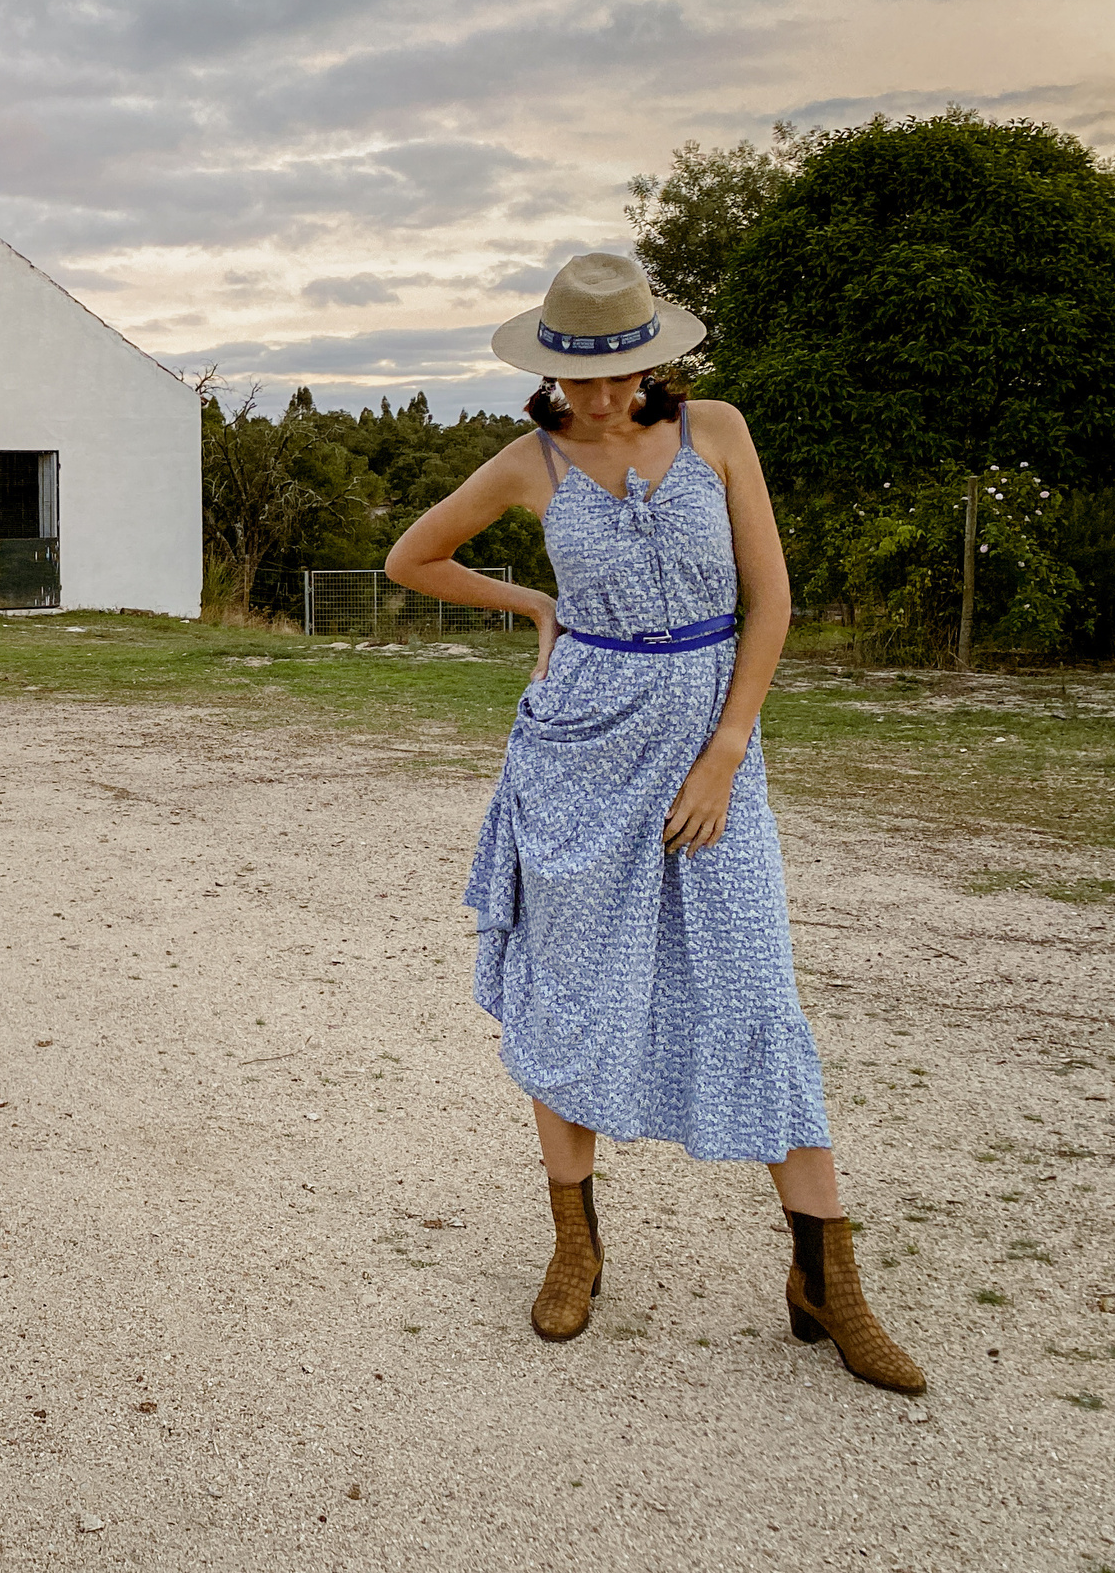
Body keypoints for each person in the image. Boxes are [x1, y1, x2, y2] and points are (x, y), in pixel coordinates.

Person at [384, 251, 923, 1396]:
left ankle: (827, 1280)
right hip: (579, 746)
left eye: (620, 374)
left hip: (704, 742)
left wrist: (727, 748)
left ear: (656, 362)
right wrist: (532, 600)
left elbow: (768, 600)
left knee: (754, 989)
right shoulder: (528, 462)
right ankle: (575, 1244)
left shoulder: (719, 431)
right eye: (579, 379)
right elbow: (410, 557)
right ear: (550, 373)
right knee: (571, 984)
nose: (600, 398)